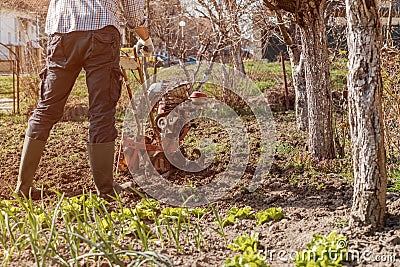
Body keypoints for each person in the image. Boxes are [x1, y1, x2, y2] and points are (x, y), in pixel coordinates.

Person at [15, 0, 153, 200]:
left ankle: (23, 186)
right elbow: (133, 11)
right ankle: (106, 189)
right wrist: (146, 40)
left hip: (61, 34)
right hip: (101, 33)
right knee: (101, 111)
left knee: (46, 109)